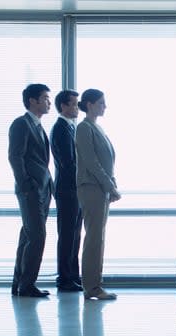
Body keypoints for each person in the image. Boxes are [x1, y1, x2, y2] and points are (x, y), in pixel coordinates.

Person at [8, 83, 54, 298]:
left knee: (28, 236)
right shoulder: (21, 124)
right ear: (33, 101)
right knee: (36, 236)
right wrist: (26, 185)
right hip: (31, 190)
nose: (48, 102)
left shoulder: (37, 125)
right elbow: (15, 156)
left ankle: (19, 284)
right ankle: (27, 285)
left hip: (42, 189)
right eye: (45, 98)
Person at [75, 89, 121, 300]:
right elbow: (91, 161)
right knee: (94, 238)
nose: (105, 106)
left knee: (98, 237)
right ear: (90, 104)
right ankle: (92, 287)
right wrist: (110, 186)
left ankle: (95, 284)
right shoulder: (84, 128)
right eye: (101, 103)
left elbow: (106, 161)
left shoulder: (96, 127)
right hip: (91, 187)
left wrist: (111, 185)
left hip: (100, 187)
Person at [51, 89, 83, 293]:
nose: (77, 108)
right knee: (67, 235)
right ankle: (64, 278)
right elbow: (67, 162)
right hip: (67, 189)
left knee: (74, 234)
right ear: (63, 106)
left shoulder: (70, 127)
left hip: (74, 188)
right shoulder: (61, 128)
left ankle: (73, 276)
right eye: (74, 104)